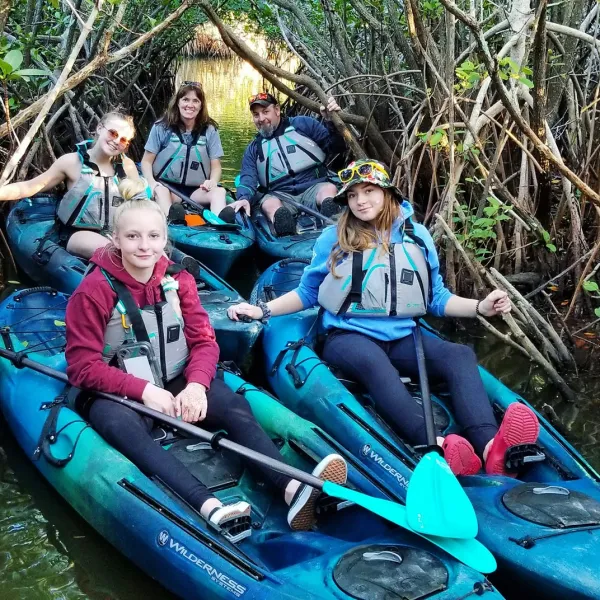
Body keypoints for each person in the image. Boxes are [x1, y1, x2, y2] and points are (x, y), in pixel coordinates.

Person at [228, 159, 540, 477]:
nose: (360, 201)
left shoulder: (417, 237)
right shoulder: (332, 239)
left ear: (387, 192)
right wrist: (262, 310)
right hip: (346, 337)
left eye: (368, 191)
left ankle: (490, 446)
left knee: (460, 355)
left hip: (402, 336)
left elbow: (436, 299)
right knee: (375, 364)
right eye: (352, 195)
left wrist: (480, 307)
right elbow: (308, 293)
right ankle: (437, 445)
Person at [64, 194, 347, 539]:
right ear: (116, 239)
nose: (144, 246)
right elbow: (81, 367)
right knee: (121, 426)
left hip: (176, 378)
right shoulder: (95, 289)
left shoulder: (178, 279)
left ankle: (290, 487)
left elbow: (204, 342)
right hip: (118, 390)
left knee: (233, 405)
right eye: (132, 236)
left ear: (165, 239)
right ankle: (210, 508)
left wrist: (196, 385)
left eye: (153, 236)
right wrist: (145, 392)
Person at [0, 110, 138, 259]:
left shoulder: (127, 166)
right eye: (113, 133)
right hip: (77, 234)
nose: (117, 141)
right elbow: (28, 187)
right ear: (99, 128)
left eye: (124, 140)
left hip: (115, 235)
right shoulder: (71, 162)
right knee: (116, 254)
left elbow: (141, 203)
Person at [229, 92, 345, 236]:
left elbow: (335, 147)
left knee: (329, 189)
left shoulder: (303, 125)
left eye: (266, 112)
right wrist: (244, 198)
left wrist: (331, 122)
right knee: (270, 205)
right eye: (256, 115)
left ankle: (335, 230)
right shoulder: (254, 148)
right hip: (280, 195)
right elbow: (247, 178)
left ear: (277, 110)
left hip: (314, 186)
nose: (261, 119)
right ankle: (285, 230)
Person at [141, 81, 233, 223]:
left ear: (201, 105)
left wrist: (213, 181)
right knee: (159, 190)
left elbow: (216, 166)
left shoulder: (210, 130)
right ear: (177, 102)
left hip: (197, 191)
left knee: (219, 192)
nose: (190, 105)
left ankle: (219, 226)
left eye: (195, 101)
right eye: (185, 99)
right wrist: (151, 182)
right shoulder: (161, 127)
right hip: (168, 188)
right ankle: (173, 222)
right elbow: (146, 161)